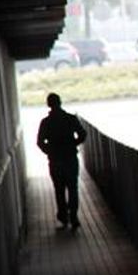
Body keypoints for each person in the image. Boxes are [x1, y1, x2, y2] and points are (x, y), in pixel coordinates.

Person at [36, 93, 87, 231]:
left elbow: (40, 142)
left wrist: (50, 151)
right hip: (70, 158)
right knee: (73, 188)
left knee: (59, 190)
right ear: (60, 102)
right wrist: (73, 144)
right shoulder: (70, 119)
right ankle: (74, 217)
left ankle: (63, 217)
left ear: (48, 104)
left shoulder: (46, 122)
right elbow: (83, 134)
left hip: (55, 161)